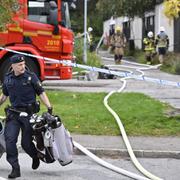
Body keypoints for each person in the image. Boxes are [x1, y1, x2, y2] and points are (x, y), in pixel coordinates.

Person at [0, 54, 53, 179]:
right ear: (13, 66)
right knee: (10, 141)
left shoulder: (31, 77)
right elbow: (4, 96)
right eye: (20, 65)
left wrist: (49, 107)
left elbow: (41, 92)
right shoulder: (7, 79)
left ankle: (35, 156)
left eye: (23, 64)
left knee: (26, 143)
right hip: (13, 115)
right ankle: (15, 168)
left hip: (29, 115)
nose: (23, 67)